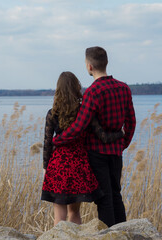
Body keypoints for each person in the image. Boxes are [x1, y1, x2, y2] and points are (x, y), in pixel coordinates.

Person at [53, 46, 136, 227]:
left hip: (96, 153)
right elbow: (131, 122)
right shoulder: (124, 88)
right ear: (106, 63)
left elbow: (79, 127)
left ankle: (110, 236)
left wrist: (57, 140)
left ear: (89, 66)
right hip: (116, 152)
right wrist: (123, 144)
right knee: (116, 194)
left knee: (105, 198)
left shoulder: (93, 92)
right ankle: (122, 232)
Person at [41, 71, 124, 226]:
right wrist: (120, 133)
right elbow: (103, 136)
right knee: (75, 212)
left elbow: (47, 144)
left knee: (59, 217)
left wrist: (46, 167)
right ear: (76, 88)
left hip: (58, 166)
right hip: (78, 166)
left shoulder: (52, 114)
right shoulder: (84, 112)